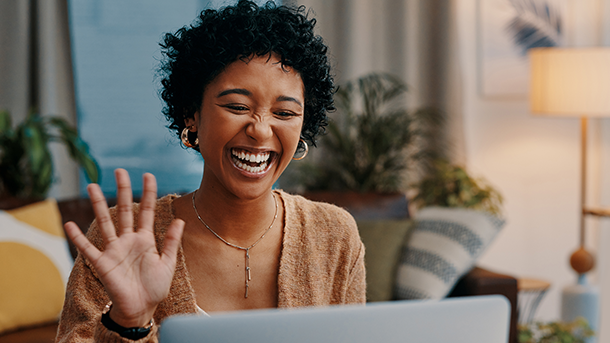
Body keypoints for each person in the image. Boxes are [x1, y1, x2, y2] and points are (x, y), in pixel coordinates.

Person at [56, 1, 366, 342]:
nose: (261, 131)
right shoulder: (120, 237)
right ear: (192, 114)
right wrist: (129, 322)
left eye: (285, 112)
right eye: (237, 106)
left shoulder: (334, 236)